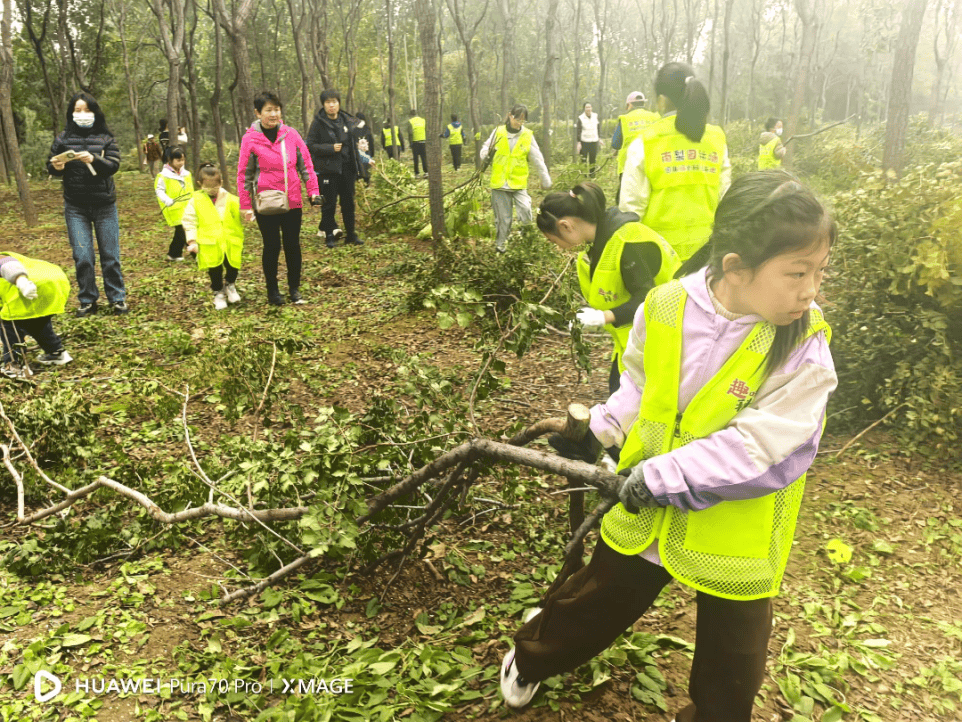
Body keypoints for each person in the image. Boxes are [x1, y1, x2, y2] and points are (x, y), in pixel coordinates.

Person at [500, 171, 837, 722]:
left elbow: (765, 445)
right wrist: (603, 429)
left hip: (735, 532)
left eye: (819, 272)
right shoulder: (665, 306)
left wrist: (665, 476)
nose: (811, 290)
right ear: (735, 266)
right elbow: (639, 383)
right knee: (598, 600)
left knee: (734, 661)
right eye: (797, 273)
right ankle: (531, 658)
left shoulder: (802, 344)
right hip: (645, 506)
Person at [536, 182, 679, 394]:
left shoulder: (629, 243)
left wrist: (604, 317)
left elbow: (649, 300)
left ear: (566, 226)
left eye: (554, 240)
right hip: (635, 341)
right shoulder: (597, 246)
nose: (558, 246)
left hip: (665, 340)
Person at [620, 62, 731, 263]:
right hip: (706, 258)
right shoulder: (716, 139)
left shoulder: (646, 142)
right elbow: (726, 198)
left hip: (658, 259)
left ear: (662, 101)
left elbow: (631, 209)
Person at [46, 91, 129, 317]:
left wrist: (95, 159)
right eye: (77, 110)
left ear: (95, 112)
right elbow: (51, 165)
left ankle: (117, 298)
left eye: (87, 110)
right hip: (75, 207)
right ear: (71, 113)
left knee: (110, 254)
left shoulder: (106, 138)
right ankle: (87, 300)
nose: (82, 114)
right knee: (82, 256)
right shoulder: (63, 139)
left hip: (104, 205)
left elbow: (114, 165)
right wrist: (57, 166)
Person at [237, 91, 321, 306]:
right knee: (271, 245)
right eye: (268, 110)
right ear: (258, 113)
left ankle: (294, 289)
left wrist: (313, 191)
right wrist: (245, 205)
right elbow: (244, 174)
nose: (273, 114)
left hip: (292, 199)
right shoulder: (250, 139)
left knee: (293, 244)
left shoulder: (291, 134)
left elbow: (306, 165)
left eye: (276, 109)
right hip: (266, 202)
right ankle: (272, 290)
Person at [479, 105, 552, 253]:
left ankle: (526, 241)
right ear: (510, 115)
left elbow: (537, 158)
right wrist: (486, 154)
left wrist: (545, 178)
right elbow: (485, 148)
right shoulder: (498, 132)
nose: (519, 123)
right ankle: (501, 246)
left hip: (518, 184)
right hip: (499, 183)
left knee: (525, 209)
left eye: (523, 121)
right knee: (503, 218)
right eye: (517, 119)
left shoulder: (527, 135)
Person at [306, 89, 365, 249]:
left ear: (339, 103)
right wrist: (330, 148)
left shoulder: (347, 120)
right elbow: (310, 145)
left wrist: (360, 168)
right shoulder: (318, 122)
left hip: (347, 169)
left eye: (334, 102)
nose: (331, 105)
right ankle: (329, 236)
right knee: (328, 204)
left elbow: (355, 144)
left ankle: (351, 235)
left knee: (348, 203)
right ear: (324, 105)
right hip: (327, 170)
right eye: (328, 102)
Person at [183, 164, 244, 311]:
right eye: (208, 187)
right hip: (209, 243)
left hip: (230, 240)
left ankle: (230, 284)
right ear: (200, 184)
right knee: (214, 269)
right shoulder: (195, 200)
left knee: (232, 265)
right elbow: (189, 220)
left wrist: (247, 213)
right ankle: (218, 292)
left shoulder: (230, 199)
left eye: (215, 187)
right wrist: (192, 240)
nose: (212, 190)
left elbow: (241, 210)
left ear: (221, 183)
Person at [0, 252, 72, 377]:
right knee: (36, 322)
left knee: (8, 324)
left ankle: (15, 366)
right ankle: (56, 353)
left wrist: (21, 281)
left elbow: (6, 262)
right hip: (53, 282)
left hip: (26, 285)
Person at [610, 92, 659, 203]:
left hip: (628, 165)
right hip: (651, 163)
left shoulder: (625, 119)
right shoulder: (654, 117)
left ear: (630, 105)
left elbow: (615, 144)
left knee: (625, 199)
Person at [155, 146, 193, 262]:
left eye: (182, 160)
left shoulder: (186, 174)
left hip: (188, 207)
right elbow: (159, 190)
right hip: (174, 208)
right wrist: (167, 200)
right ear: (169, 160)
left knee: (183, 231)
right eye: (178, 160)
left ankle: (174, 253)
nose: (181, 163)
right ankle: (195, 254)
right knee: (183, 231)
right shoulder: (163, 176)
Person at [575, 103, 600, 177]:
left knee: (593, 159)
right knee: (584, 160)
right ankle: (584, 176)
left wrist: (599, 138)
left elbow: (598, 128)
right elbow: (578, 130)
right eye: (586, 107)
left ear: (591, 108)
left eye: (589, 107)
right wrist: (579, 142)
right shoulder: (581, 118)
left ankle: (592, 175)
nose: (588, 109)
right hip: (584, 142)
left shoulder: (595, 116)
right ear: (584, 109)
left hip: (594, 141)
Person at [352, 112, 376, 186]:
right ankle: (366, 184)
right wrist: (372, 153)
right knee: (366, 169)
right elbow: (371, 142)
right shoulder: (367, 129)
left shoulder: (353, 129)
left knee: (359, 169)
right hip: (367, 152)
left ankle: (360, 184)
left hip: (357, 153)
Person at [408, 109, 428, 177]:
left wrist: (410, 143)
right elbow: (426, 130)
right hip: (423, 141)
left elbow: (410, 133)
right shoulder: (423, 120)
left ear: (411, 115)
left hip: (415, 142)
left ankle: (417, 173)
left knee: (416, 158)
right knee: (424, 157)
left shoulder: (410, 121)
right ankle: (426, 172)